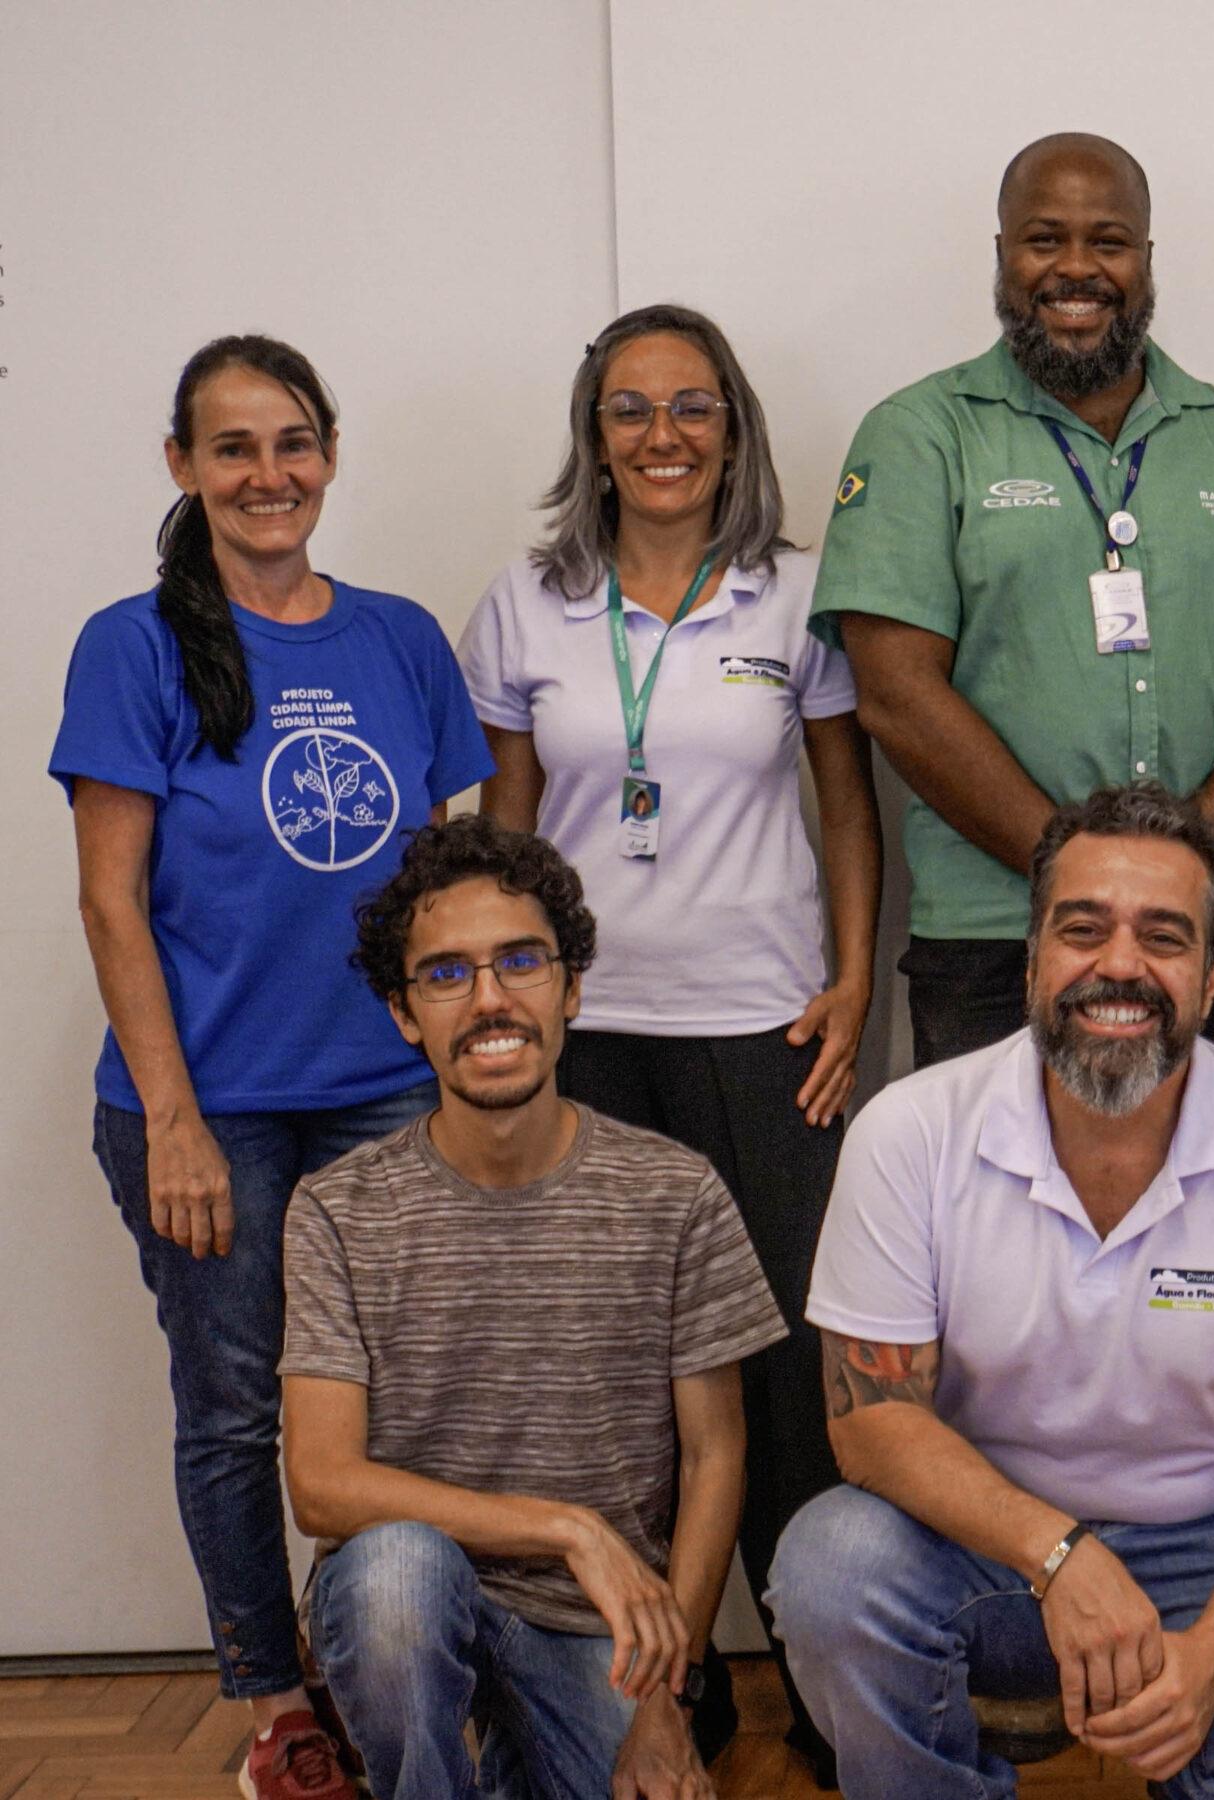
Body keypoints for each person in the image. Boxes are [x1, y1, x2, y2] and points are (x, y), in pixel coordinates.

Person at [768, 783, 1214, 1798]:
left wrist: (1213, 1655)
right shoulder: (910, 1133)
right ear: (1032, 962)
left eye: (1163, 937)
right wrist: (1057, 1554)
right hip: (987, 1543)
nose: (1119, 964)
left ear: (1213, 976)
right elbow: (872, 1427)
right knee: (829, 1570)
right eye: (1082, 929)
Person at [52, 335, 494, 1798]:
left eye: (292, 442)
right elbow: (110, 901)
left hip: (385, 1093)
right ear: (183, 466)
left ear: (330, 453)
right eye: (232, 447)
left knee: (408, 1402)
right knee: (239, 1412)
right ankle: (273, 1700)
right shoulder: (134, 646)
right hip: (212, 1109)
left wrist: (455, 1061)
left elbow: (441, 875)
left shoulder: (400, 639)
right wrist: (172, 1119)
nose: (268, 474)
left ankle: (398, 1663)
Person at [459, 302, 880, 1773]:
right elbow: (507, 827)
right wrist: (509, 1007)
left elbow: (847, 805)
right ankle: (661, 1674)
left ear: (733, 427)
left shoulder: (797, 595)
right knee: (616, 1369)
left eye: (693, 406)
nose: (663, 436)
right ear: (594, 436)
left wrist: (851, 982)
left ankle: (820, 1666)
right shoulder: (527, 602)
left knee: (787, 1366)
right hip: (589, 1042)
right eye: (630, 410)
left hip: (768, 1031)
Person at [811, 131, 1214, 1108]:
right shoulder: (920, 435)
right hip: (996, 938)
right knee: (1001, 1198)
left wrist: (1180, 875)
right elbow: (896, 694)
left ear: (1147, 259)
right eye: (1045, 239)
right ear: (1002, 252)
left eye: (1110, 241)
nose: (1078, 268)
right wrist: (1079, 878)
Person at [279, 817, 786, 1800]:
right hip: (412, 1601)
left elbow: (715, 1456)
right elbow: (322, 1486)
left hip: (597, 1629)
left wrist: (667, 1704)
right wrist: (566, 1528)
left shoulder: (676, 1193)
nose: (490, 999)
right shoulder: (339, 1209)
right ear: (403, 1013)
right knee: (397, 1579)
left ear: (571, 987)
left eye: (520, 961)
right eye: (446, 975)